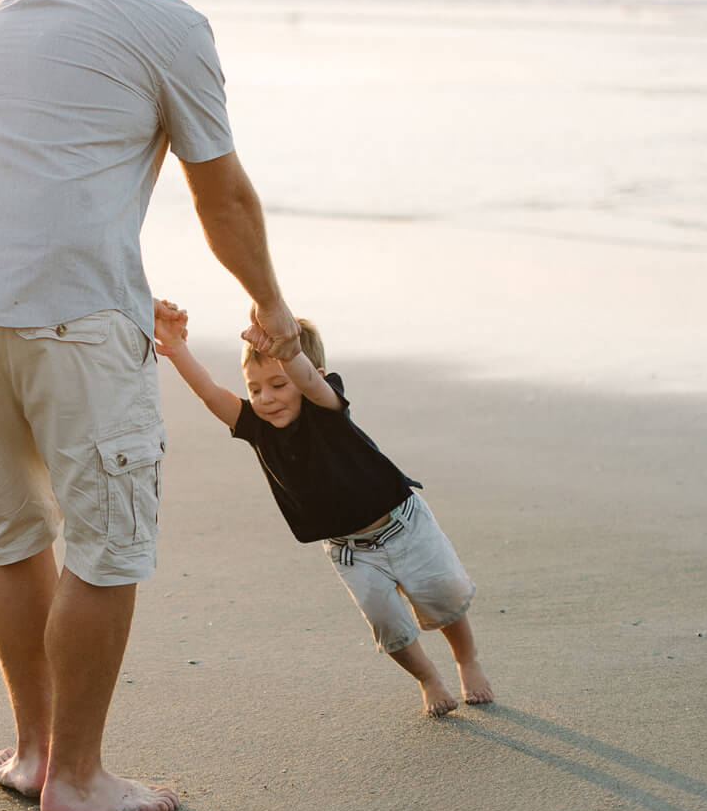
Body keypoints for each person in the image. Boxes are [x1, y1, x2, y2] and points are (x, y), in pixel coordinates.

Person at [0, 0, 301, 811]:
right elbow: (222, 195)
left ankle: (36, 755)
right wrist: (270, 304)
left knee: (12, 532)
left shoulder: (2, 12)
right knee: (108, 546)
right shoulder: (169, 21)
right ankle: (79, 780)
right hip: (69, 315)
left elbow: (28, 171)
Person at [153, 302, 494, 716]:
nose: (266, 398)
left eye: (278, 385)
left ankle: (466, 660)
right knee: (389, 627)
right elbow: (210, 392)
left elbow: (307, 378)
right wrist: (176, 348)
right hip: (350, 550)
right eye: (255, 387)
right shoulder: (257, 429)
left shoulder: (325, 406)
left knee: (446, 600)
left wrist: (286, 348)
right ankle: (428, 678)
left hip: (405, 525)